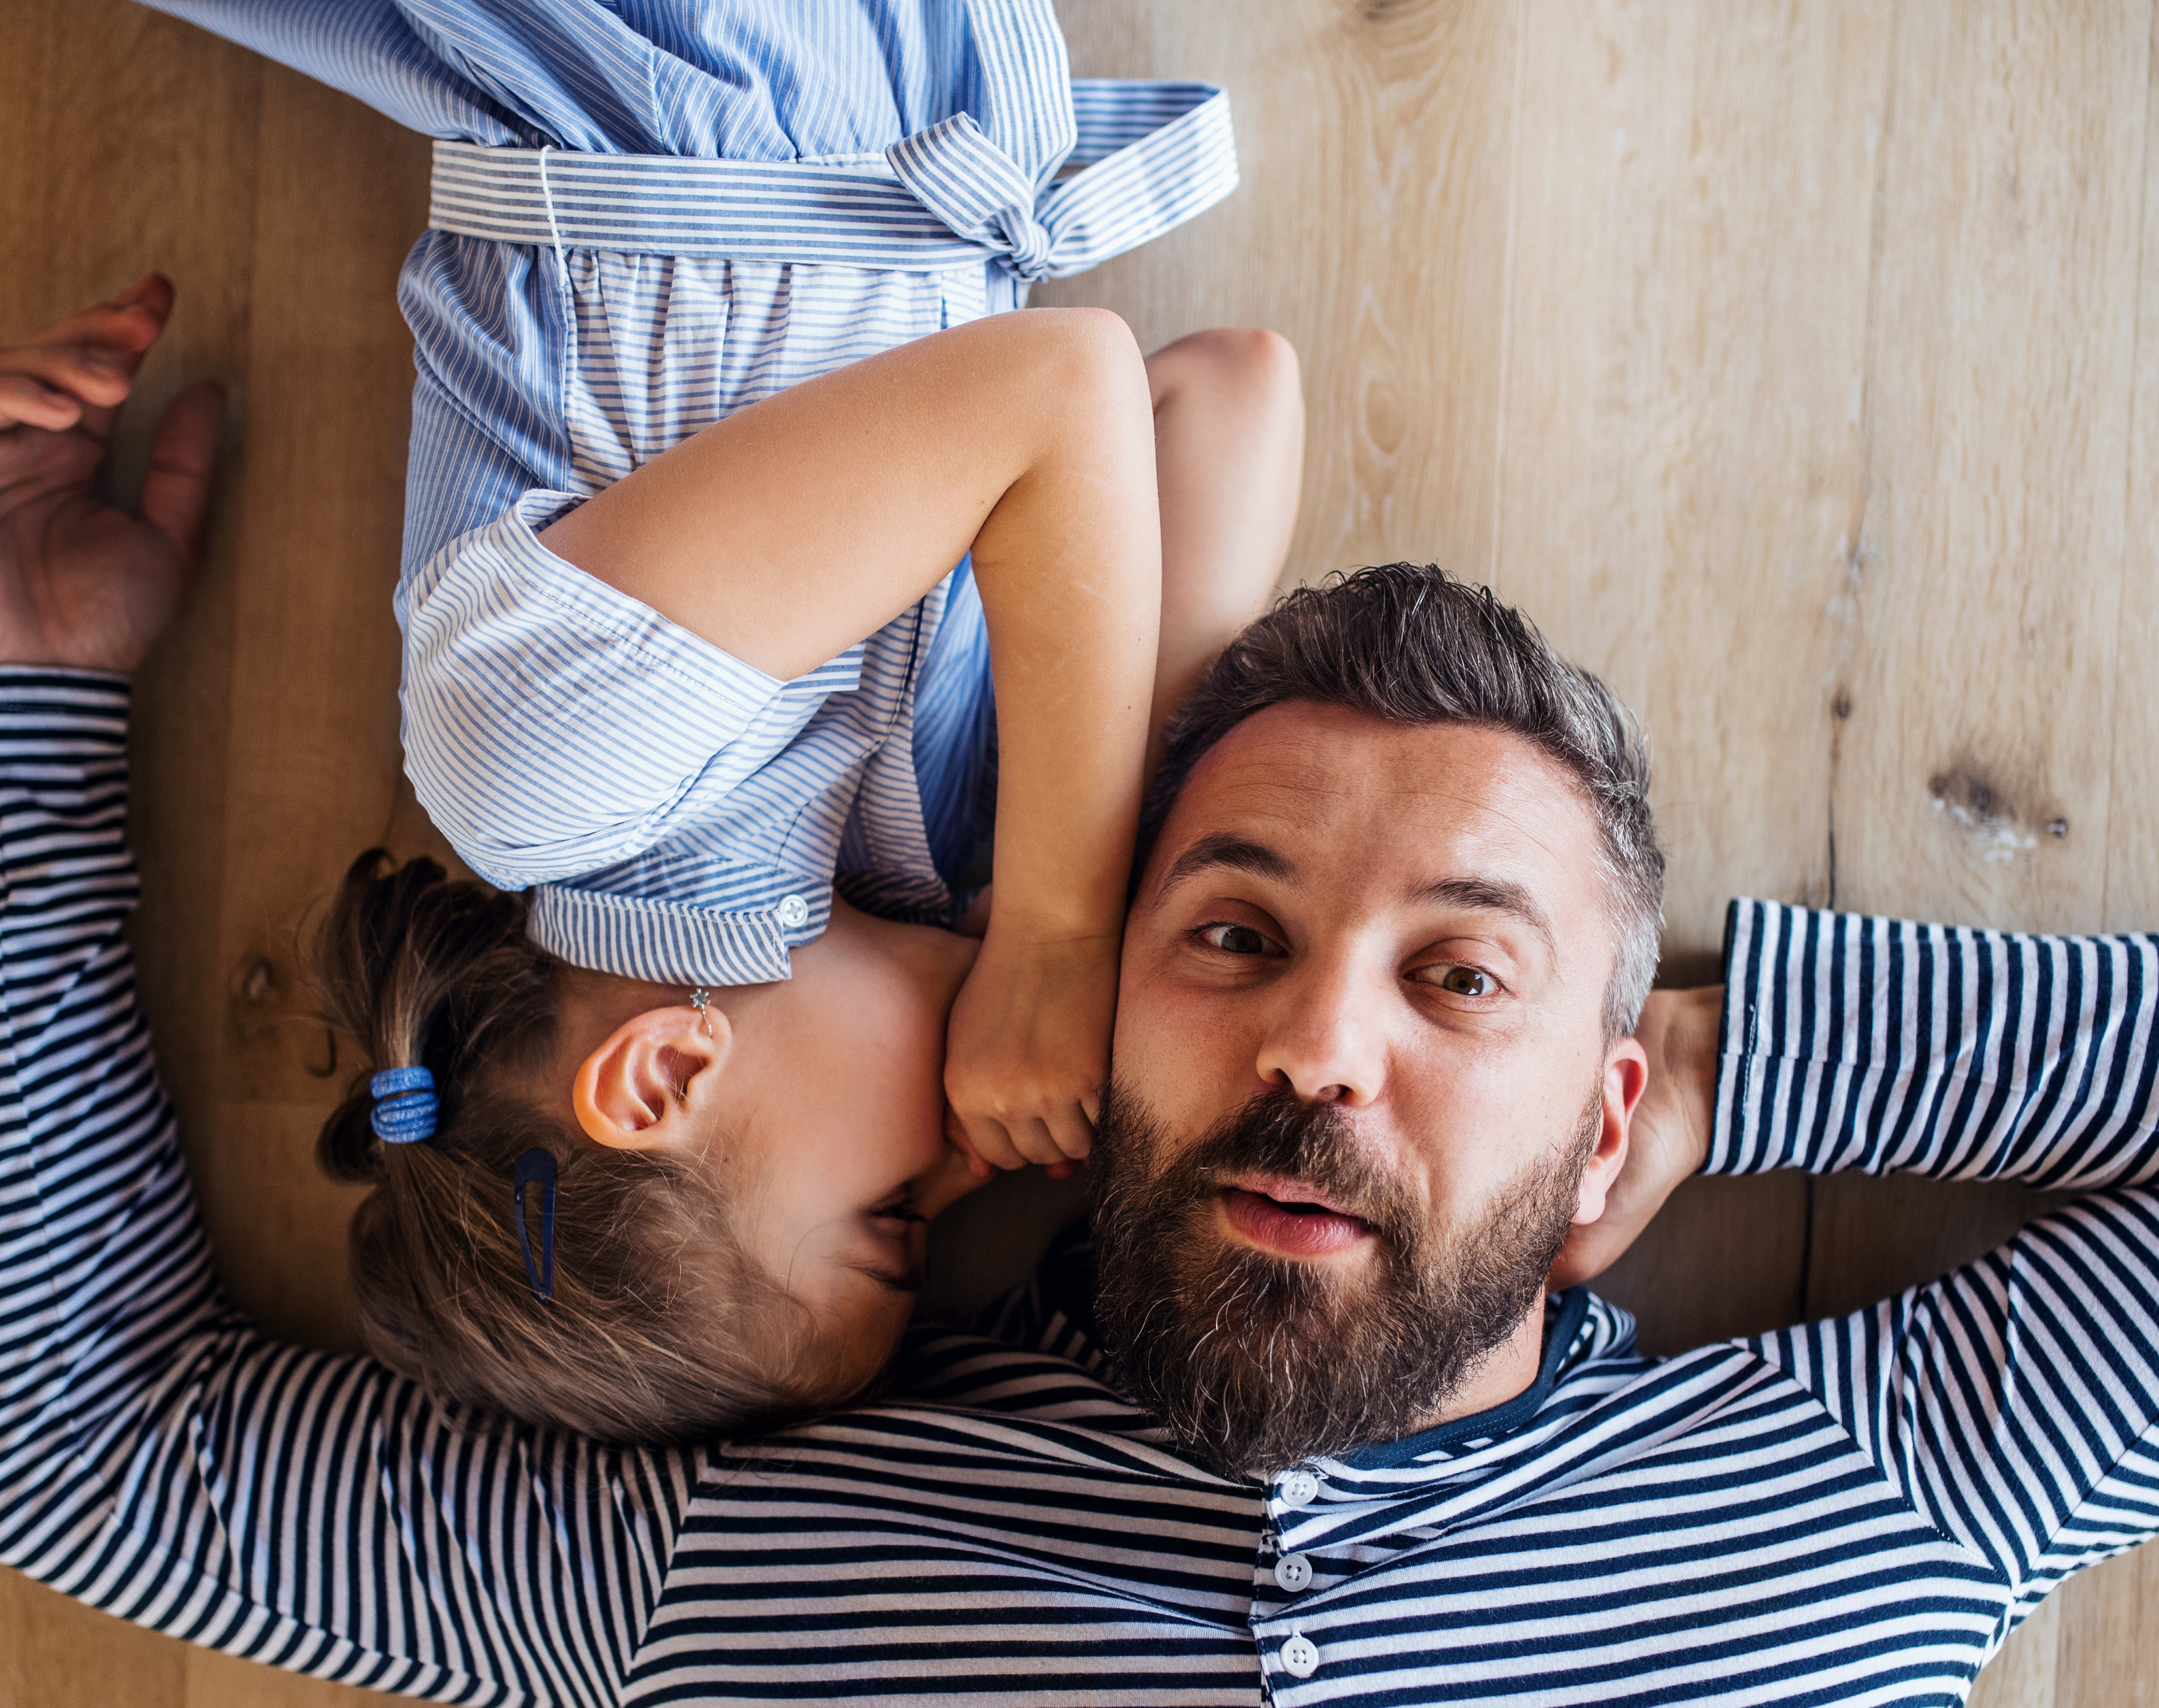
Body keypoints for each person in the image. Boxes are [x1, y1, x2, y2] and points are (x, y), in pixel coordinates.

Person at [0, 280, 2159, 1708]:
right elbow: (94, 1453)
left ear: (1602, 1099)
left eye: (1457, 973)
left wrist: (1734, 1061)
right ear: (1083, 1007)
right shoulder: (743, 1571)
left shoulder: (1875, 1498)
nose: (1315, 1050)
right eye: (1228, 934)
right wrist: (12, 698)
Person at [129, 0, 1304, 1441]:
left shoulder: (541, 783)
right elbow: (1222, 393)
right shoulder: (924, 850)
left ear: (666, 1072)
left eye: (895, 1216)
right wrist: (1096, 890)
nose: (965, 1163)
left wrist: (1057, 938)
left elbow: (1058, 387)